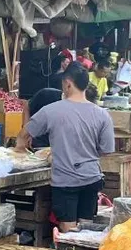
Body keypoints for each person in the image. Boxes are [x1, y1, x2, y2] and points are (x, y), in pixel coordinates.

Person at [18, 63, 114, 233]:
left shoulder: (51, 111)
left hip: (66, 181)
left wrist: (20, 148)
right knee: (86, 227)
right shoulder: (102, 114)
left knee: (68, 228)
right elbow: (106, 150)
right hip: (92, 177)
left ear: (68, 84)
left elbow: (24, 134)